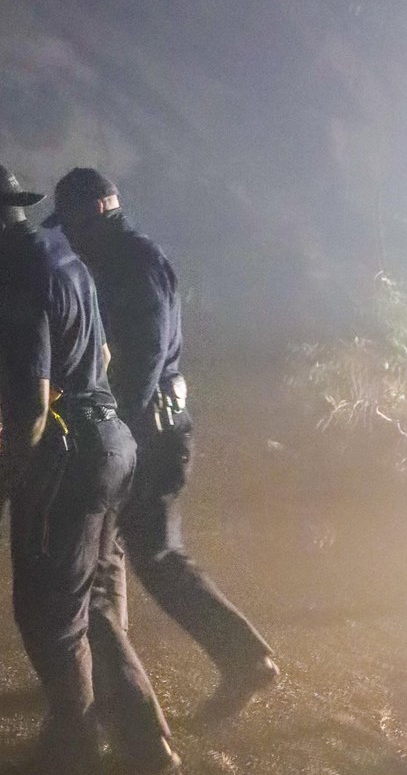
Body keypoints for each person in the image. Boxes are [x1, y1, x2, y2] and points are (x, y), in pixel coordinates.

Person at [0, 162, 177, 775]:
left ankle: (74, 760)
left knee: (47, 616)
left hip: (68, 459)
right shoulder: (63, 255)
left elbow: (29, 413)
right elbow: (99, 356)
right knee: (90, 602)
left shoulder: (15, 282)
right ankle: (144, 738)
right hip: (114, 446)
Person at [43, 168, 279, 723]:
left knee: (125, 553)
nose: (69, 238)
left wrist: (114, 434)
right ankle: (227, 659)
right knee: (137, 551)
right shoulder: (130, 258)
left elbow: (143, 357)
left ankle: (216, 666)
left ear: (97, 213)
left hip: (148, 435)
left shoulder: (130, 266)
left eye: (74, 225)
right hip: (157, 430)